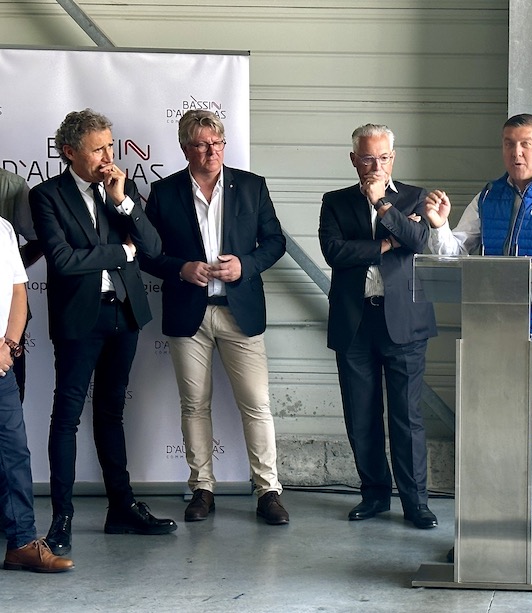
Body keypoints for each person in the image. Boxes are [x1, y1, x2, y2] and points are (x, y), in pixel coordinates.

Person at [423, 113, 532, 564]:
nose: (515, 153)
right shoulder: (489, 195)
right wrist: (440, 226)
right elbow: (454, 254)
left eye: (525, 144)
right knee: (485, 431)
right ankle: (483, 527)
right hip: (488, 331)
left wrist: (529, 273)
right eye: (508, 144)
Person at [29, 108, 176, 557]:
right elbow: (63, 260)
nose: (109, 156)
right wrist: (120, 251)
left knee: (112, 413)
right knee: (66, 416)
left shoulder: (121, 188)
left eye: (110, 145)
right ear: (70, 152)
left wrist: (124, 203)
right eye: (99, 149)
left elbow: (152, 249)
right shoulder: (47, 196)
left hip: (124, 314)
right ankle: (62, 519)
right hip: (79, 320)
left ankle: (121, 508)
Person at [142, 110, 289, 526]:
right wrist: (180, 268)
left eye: (218, 143)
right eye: (203, 145)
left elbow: (275, 241)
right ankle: (202, 488)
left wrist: (246, 264)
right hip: (189, 314)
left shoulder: (251, 186)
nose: (212, 152)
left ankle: (269, 492)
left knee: (257, 404)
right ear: (185, 148)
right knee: (193, 406)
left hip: (239, 311)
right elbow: (149, 254)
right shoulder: (165, 192)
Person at [319, 124, 438, 529]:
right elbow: (335, 252)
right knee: (361, 415)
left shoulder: (414, 197)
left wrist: (383, 206)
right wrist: (387, 244)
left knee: (407, 417)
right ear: (354, 159)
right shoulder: (334, 202)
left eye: (384, 158)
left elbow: (419, 241)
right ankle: (374, 495)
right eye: (368, 158)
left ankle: (415, 502)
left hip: (403, 321)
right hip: (355, 321)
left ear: (393, 158)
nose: (376, 166)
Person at [0, 215, 73, 573]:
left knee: (13, 453)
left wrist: (9, 346)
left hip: (0, 365)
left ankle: (22, 544)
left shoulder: (3, 228)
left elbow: (17, 291)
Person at [0, 168, 43, 400]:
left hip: (8, 320)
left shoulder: (11, 185)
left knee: (11, 404)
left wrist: (11, 273)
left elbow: (38, 240)